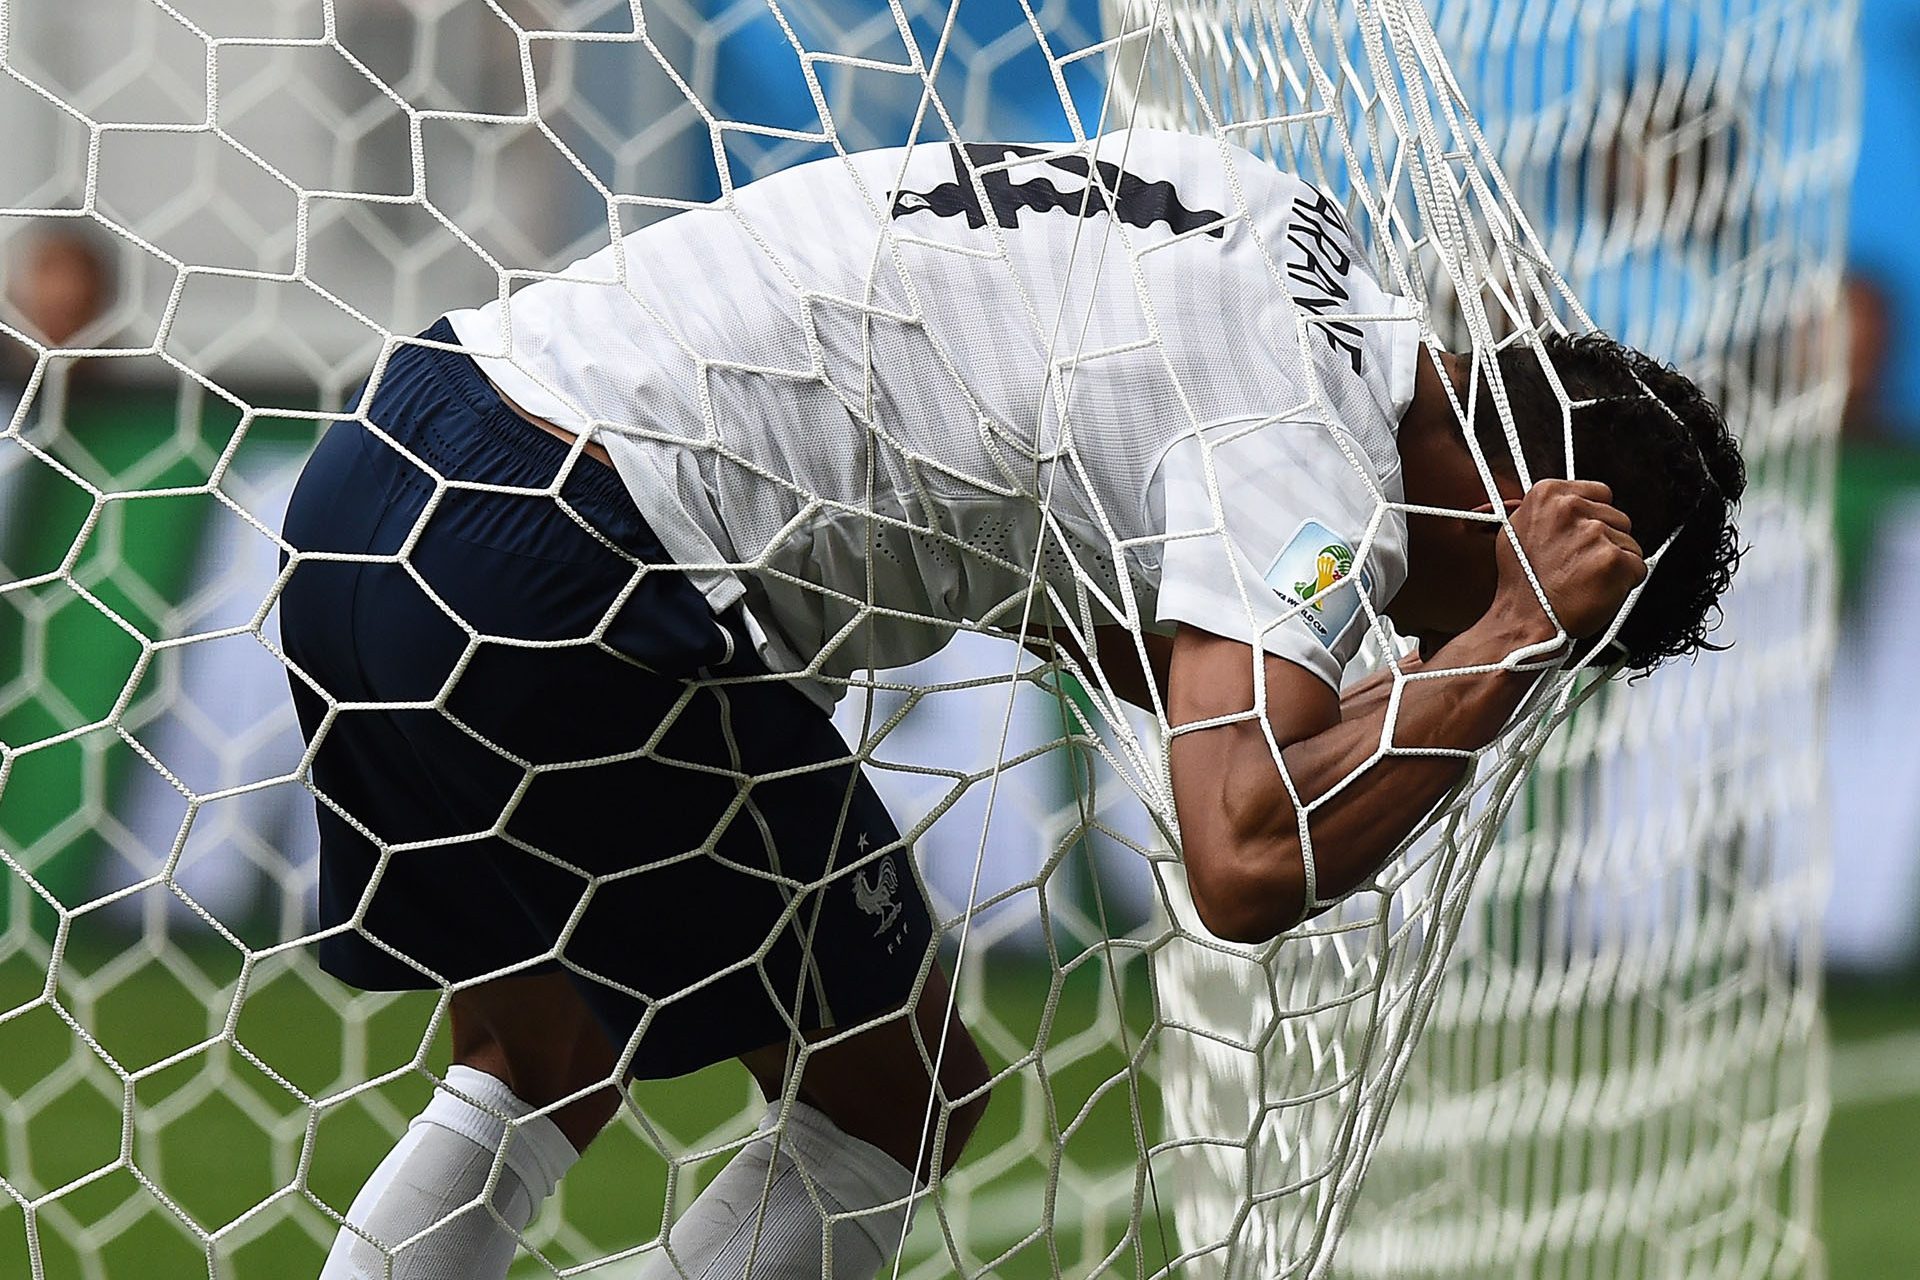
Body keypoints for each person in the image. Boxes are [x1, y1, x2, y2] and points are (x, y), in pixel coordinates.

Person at [280, 130, 1744, 1280]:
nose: (1413, 635)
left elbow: (1065, 531)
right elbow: (1241, 859)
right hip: (588, 560)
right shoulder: (1309, 461)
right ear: (1540, 510)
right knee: (901, 1099)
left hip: (395, 461)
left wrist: (1416, 639)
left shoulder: (1298, 240)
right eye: (1560, 641)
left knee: (545, 1060)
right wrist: (1506, 636)